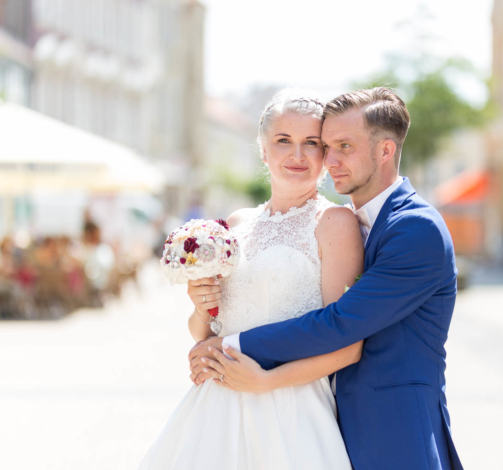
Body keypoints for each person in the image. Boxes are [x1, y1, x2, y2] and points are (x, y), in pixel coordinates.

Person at [193, 88, 463, 470]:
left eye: (343, 146)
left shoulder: (415, 228)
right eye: (329, 146)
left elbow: (340, 323)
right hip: (329, 422)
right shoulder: (357, 220)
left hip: (394, 433)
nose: (329, 160)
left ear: (385, 151)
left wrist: (229, 347)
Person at [138, 89, 362, 470]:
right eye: (283, 141)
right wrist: (200, 307)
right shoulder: (236, 224)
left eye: (311, 143)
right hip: (216, 408)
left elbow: (346, 346)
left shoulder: (336, 224)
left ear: (326, 154)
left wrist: (265, 383)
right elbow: (207, 329)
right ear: (263, 150)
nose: (297, 155)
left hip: (291, 409)